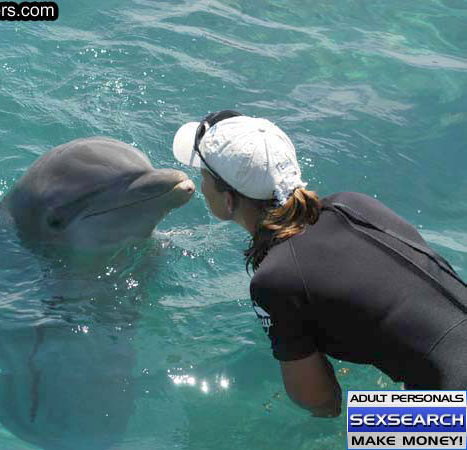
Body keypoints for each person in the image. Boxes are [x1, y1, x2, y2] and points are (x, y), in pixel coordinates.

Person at [172, 110, 467, 417]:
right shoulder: (355, 204)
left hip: (457, 411)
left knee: (367, 425)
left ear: (229, 199)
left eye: (204, 177)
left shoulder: (275, 281)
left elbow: (322, 402)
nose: (201, 186)